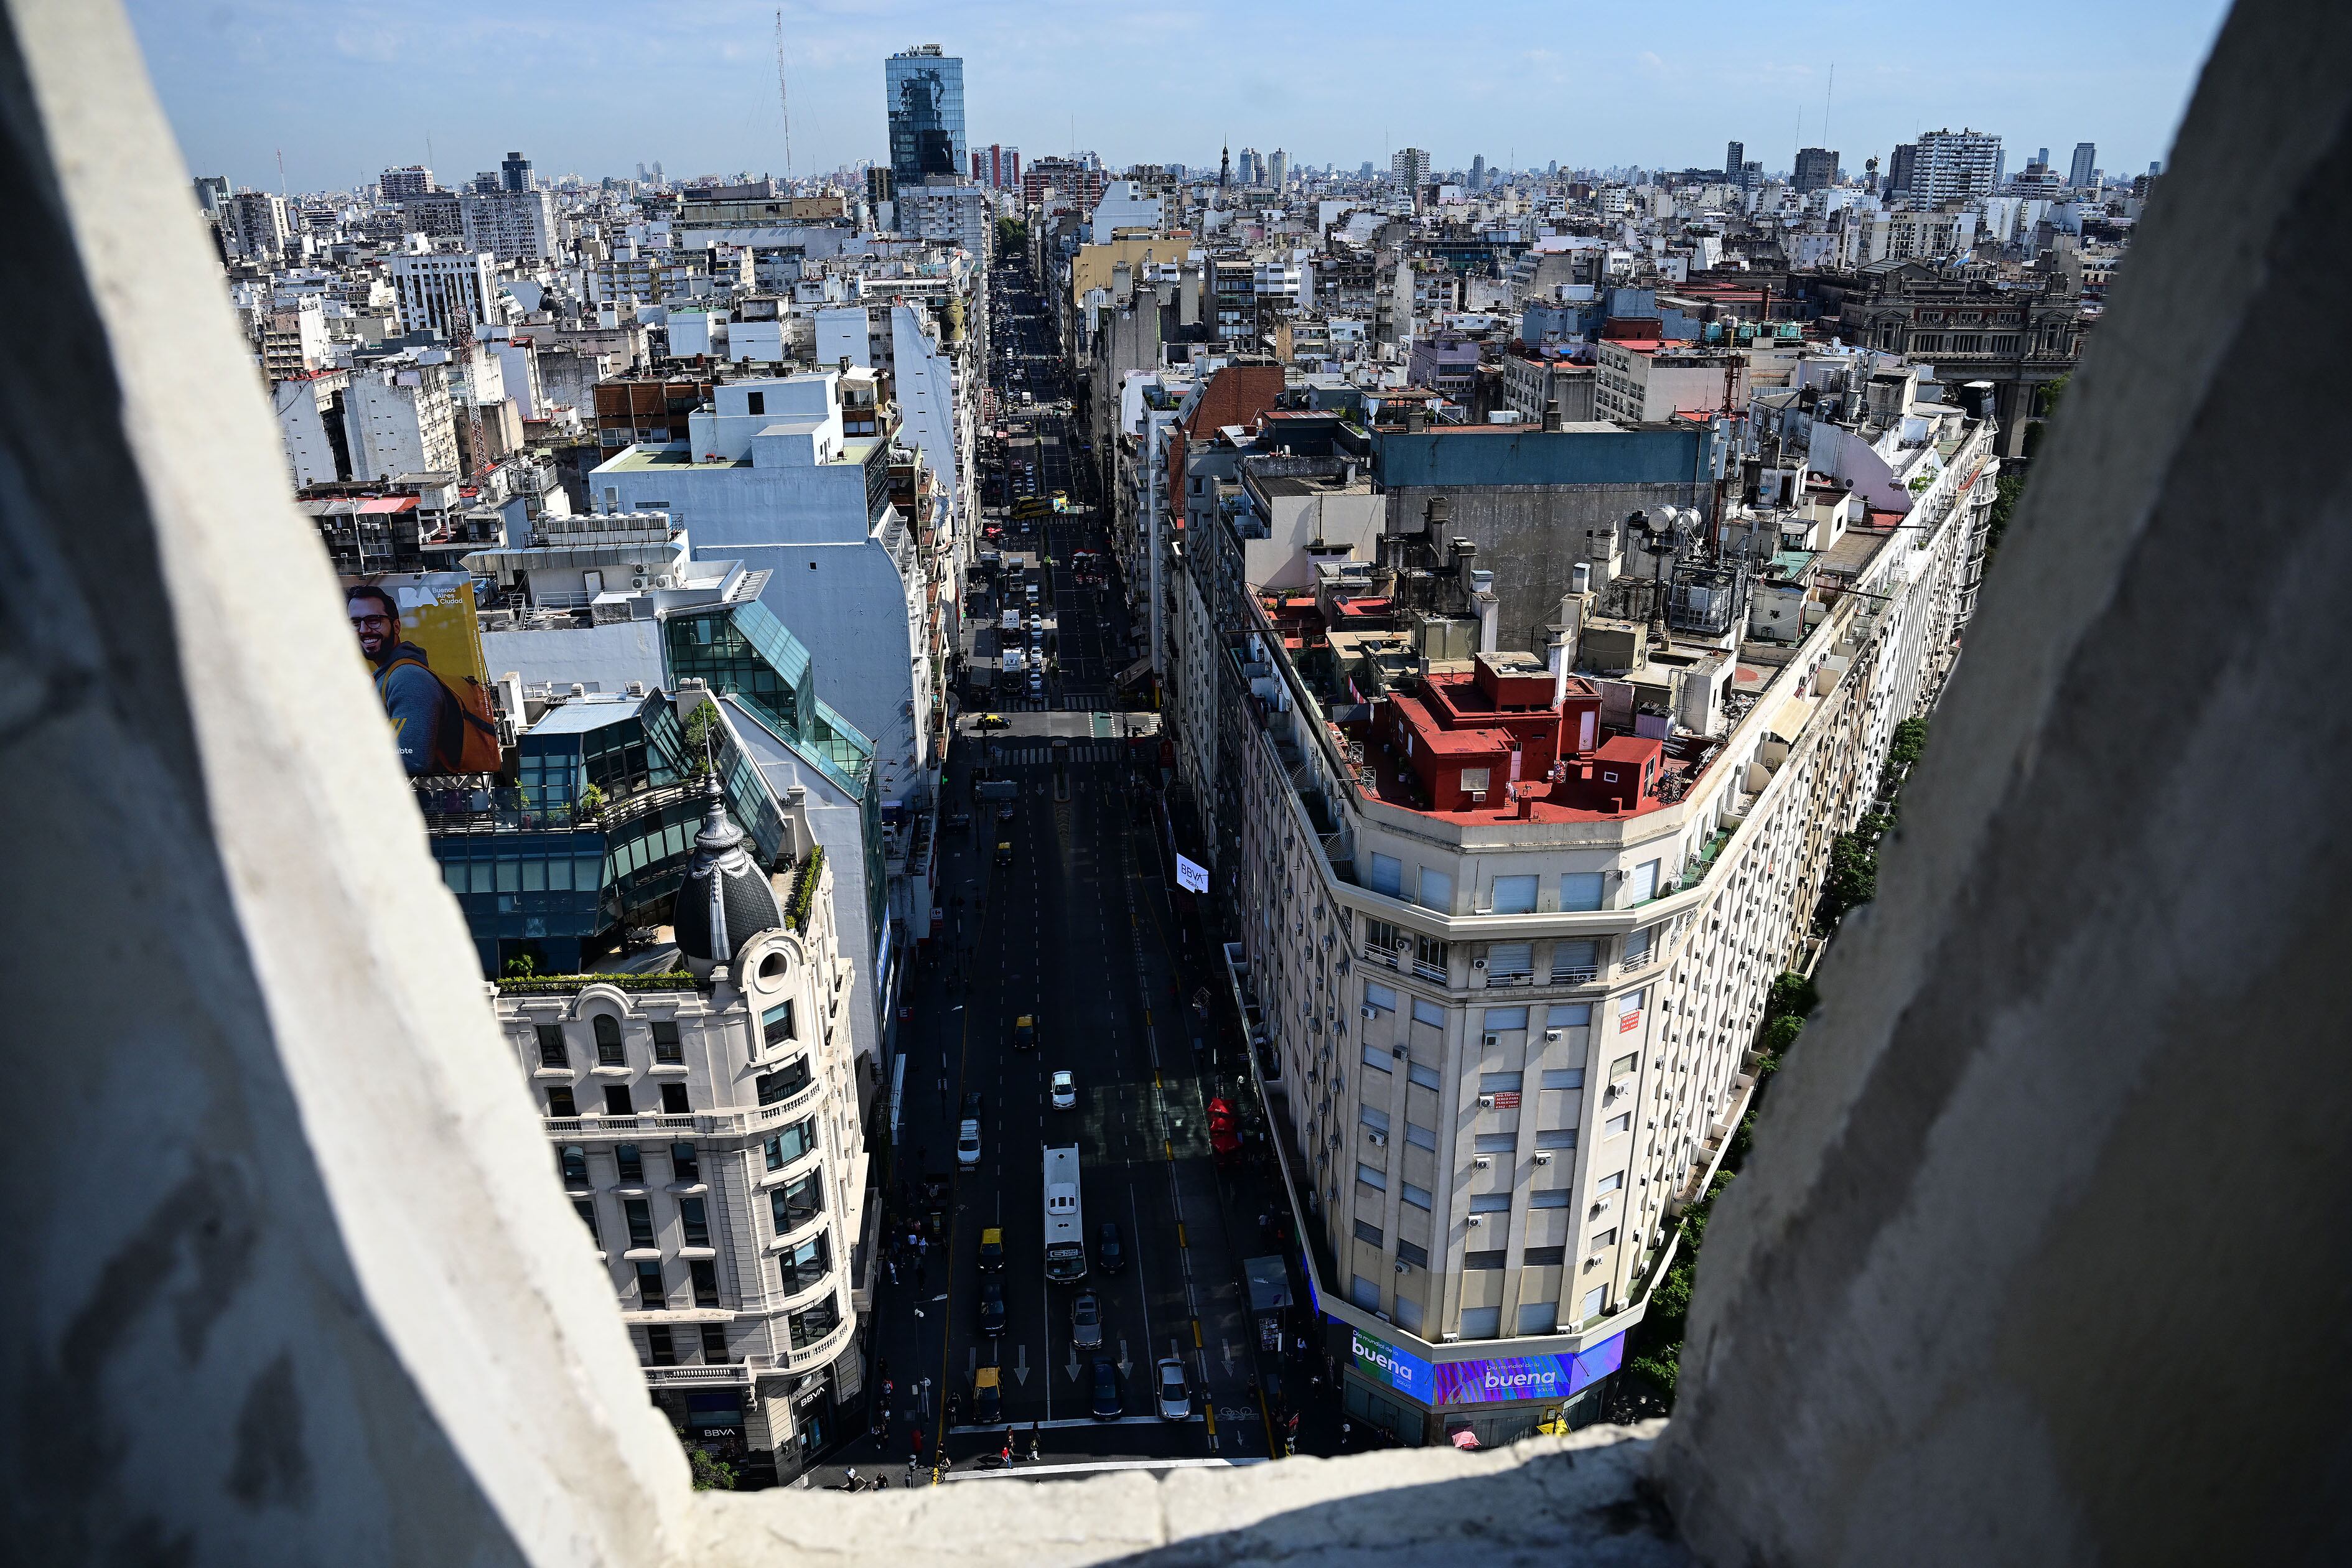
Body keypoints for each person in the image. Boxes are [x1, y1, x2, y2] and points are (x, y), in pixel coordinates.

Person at [348, 584, 446, 777]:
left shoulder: (408, 678)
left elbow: (411, 760)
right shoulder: (387, 674)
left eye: (374, 621)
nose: (364, 630)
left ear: (396, 626)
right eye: (355, 623)